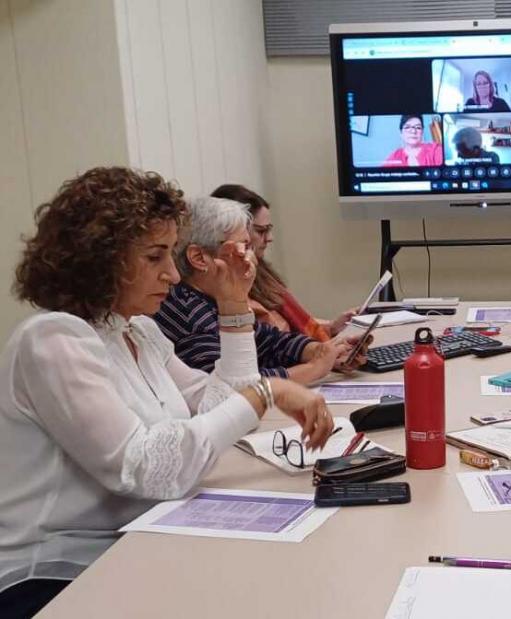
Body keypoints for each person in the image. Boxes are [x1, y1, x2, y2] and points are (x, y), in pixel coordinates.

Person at [0, 167, 335, 617]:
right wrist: (265, 393)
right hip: (52, 577)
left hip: (131, 542)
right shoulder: (54, 340)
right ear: (101, 259)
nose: (173, 276)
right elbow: (147, 469)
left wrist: (234, 304)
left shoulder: (136, 331)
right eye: (155, 257)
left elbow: (215, 407)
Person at [153, 196, 366, 385]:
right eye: (243, 247)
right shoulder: (190, 315)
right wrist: (314, 368)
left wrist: (321, 352)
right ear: (199, 258)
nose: (251, 258)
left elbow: (269, 341)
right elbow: (227, 391)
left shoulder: (214, 295)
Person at [210, 184, 355, 340]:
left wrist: (332, 327)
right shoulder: (234, 292)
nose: (270, 238)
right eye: (261, 231)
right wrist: (323, 352)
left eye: (269, 229)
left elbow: (293, 327)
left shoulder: (263, 273)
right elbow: (280, 342)